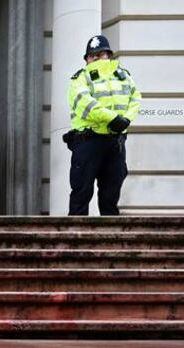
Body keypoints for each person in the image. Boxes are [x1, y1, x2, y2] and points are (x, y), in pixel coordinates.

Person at [66, 35, 142, 216]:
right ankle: (74, 241)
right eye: (93, 56)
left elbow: (136, 98)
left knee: (111, 194)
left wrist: (126, 120)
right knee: (81, 193)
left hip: (115, 142)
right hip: (88, 141)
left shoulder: (123, 76)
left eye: (101, 54)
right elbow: (85, 103)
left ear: (109, 55)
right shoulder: (80, 78)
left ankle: (111, 240)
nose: (97, 59)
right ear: (86, 59)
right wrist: (113, 119)